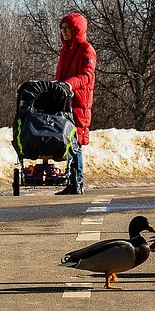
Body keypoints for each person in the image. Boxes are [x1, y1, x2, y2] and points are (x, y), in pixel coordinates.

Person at [55, 13, 96, 195]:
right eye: (62, 29)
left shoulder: (87, 50)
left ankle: (77, 181)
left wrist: (69, 84)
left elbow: (87, 76)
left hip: (79, 102)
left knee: (76, 141)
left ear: (76, 29)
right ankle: (71, 180)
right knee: (66, 140)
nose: (64, 32)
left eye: (67, 28)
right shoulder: (65, 50)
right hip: (64, 101)